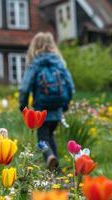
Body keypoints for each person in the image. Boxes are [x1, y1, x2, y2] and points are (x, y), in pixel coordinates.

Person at [19, 32, 75, 170]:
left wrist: (23, 106)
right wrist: (65, 104)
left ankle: (50, 157)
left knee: (42, 140)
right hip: (57, 108)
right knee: (50, 136)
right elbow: (71, 86)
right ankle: (55, 170)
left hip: (41, 108)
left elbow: (24, 88)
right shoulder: (59, 63)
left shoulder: (35, 64)